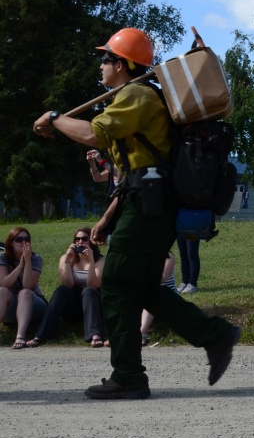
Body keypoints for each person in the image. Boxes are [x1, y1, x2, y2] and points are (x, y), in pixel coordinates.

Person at [33, 26, 240, 400]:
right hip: (145, 201)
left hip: (148, 205)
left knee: (114, 283)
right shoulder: (133, 95)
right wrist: (108, 216)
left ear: (123, 64)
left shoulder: (137, 95)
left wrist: (54, 117)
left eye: (106, 58)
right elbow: (131, 173)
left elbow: (95, 134)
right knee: (142, 286)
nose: (101, 65)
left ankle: (128, 375)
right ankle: (214, 335)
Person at [30, 229, 105, 348]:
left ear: (91, 241)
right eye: (77, 239)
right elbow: (67, 284)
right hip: (73, 308)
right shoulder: (66, 258)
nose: (80, 242)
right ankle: (42, 335)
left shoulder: (100, 260)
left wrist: (90, 260)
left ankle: (95, 334)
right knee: (61, 290)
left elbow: (93, 285)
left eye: (84, 239)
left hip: (93, 305)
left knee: (87, 290)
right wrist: (67, 260)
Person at [1, 227, 49, 349]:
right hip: (11, 305)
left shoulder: (36, 259)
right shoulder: (3, 258)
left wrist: (27, 262)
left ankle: (20, 336)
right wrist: (20, 266)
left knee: (25, 292)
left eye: (27, 239)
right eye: (19, 239)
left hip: (33, 304)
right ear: (11, 243)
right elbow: (3, 283)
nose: (24, 242)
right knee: (2, 291)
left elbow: (28, 285)